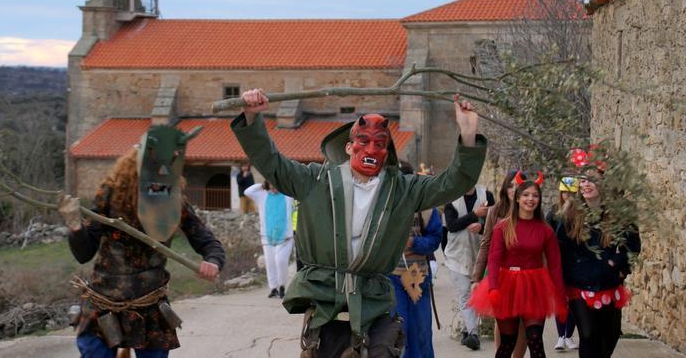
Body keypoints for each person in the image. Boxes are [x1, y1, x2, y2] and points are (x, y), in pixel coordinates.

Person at [232, 88, 487, 357]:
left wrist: (468, 136)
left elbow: (453, 183)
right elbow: (272, 164)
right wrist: (251, 118)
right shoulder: (315, 181)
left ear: (387, 151)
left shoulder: (403, 189)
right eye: (363, 141)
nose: (371, 149)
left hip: (375, 302)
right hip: (326, 300)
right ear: (348, 146)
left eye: (379, 144)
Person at [58, 137, 225, 358]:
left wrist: (212, 261)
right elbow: (84, 254)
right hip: (104, 301)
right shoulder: (109, 195)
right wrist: (76, 227)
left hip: (150, 307)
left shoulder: (172, 201)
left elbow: (206, 241)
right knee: (94, 353)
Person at [469, 178, 567, 358]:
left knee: (535, 339)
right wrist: (493, 287)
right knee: (507, 342)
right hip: (507, 287)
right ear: (517, 199)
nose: (531, 199)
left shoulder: (545, 230)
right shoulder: (502, 227)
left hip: (535, 287)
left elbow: (555, 265)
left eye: (535, 195)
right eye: (526, 195)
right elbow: (494, 258)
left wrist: (561, 298)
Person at [556, 168, 640, 358]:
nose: (586, 184)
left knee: (609, 335)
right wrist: (568, 276)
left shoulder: (619, 214)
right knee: (588, 334)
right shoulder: (570, 212)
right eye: (583, 180)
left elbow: (633, 245)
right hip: (579, 286)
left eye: (592, 180)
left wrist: (619, 267)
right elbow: (560, 248)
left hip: (609, 283)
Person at [471, 171, 526, 357]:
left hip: (526, 274)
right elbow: (485, 245)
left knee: (521, 320)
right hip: (501, 273)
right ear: (504, 188)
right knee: (501, 318)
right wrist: (476, 277)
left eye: (518, 186)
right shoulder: (495, 211)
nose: (514, 189)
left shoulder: (531, 211)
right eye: (510, 185)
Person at [443, 184, 494, 350]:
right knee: (465, 293)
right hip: (456, 255)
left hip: (479, 254)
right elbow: (451, 226)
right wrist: (475, 215)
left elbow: (493, 223)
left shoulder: (486, 195)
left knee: (475, 293)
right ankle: (473, 334)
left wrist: (481, 227)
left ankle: (466, 331)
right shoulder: (452, 198)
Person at [389, 206, 442, 358]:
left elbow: (435, 238)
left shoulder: (425, 206)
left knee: (422, 331)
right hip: (390, 278)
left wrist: (412, 242)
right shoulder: (383, 200)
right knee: (398, 331)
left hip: (419, 278)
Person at [245, 181, 296, 298]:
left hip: (285, 236)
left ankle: (282, 286)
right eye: (271, 185)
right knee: (270, 263)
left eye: (276, 185)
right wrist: (261, 185)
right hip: (267, 236)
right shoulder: (262, 195)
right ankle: (273, 288)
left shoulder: (288, 196)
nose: (273, 188)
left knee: (280, 261)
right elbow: (247, 192)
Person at [548, 177, 579, 352]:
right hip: (558, 264)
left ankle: (568, 335)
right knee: (560, 301)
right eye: (565, 192)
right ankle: (561, 337)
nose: (568, 196)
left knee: (574, 302)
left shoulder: (582, 213)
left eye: (572, 193)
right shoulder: (553, 212)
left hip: (576, 264)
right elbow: (548, 236)